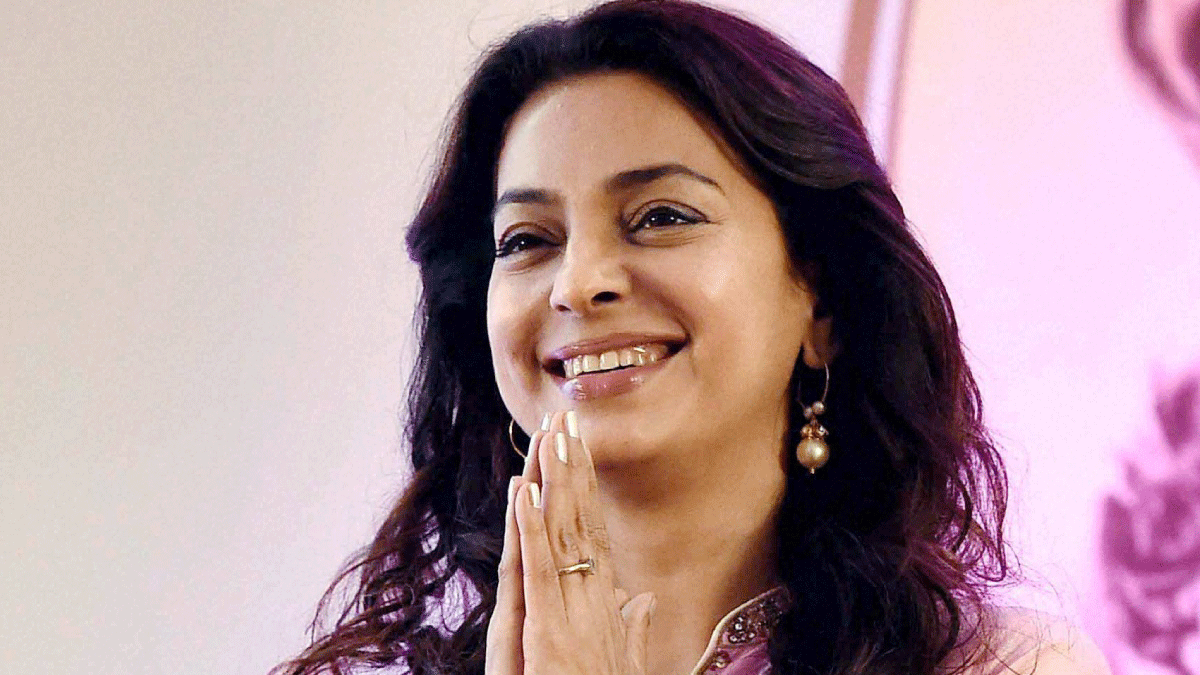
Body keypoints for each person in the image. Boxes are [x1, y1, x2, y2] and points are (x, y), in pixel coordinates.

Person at [274, 1, 1111, 673]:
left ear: (822, 305)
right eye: (527, 239)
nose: (577, 283)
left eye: (661, 217)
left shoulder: (1005, 664)